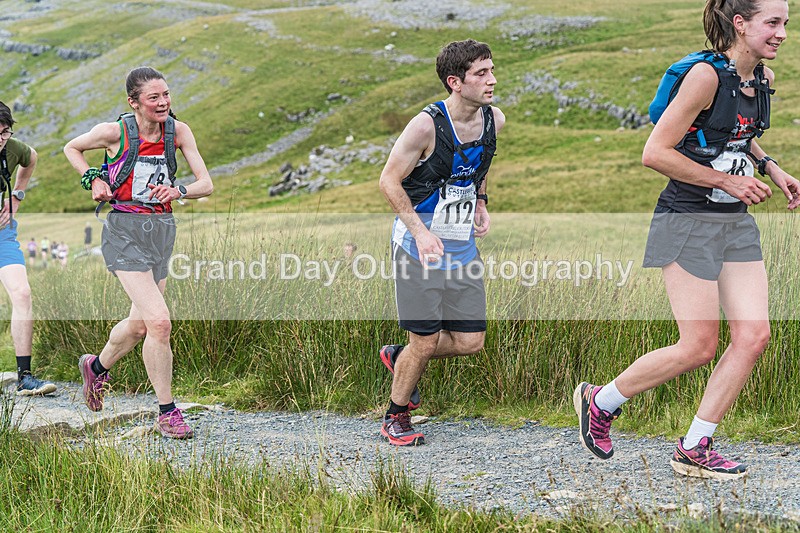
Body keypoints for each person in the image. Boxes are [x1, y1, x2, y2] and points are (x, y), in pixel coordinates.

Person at [575, 0, 798, 480]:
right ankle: (602, 400)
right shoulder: (704, 76)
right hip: (686, 219)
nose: (782, 33)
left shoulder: (761, 80)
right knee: (698, 345)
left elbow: (736, 136)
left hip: (734, 222)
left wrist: (771, 169)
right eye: (772, 23)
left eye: (786, 23)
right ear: (740, 23)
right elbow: (654, 152)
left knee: (754, 336)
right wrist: (726, 182)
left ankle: (696, 446)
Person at [63, 66, 213, 439]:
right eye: (154, 97)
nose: (163, 103)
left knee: (141, 324)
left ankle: (96, 367)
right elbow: (72, 148)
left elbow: (206, 184)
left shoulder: (178, 132)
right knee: (160, 322)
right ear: (134, 102)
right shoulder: (115, 132)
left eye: (166, 95)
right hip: (124, 230)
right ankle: (167, 411)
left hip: (162, 231)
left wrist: (179, 191)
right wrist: (93, 179)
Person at [377, 39, 504, 446]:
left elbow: (482, 163)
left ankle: (400, 358)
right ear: (455, 82)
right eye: (481, 74)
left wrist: (481, 201)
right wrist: (420, 232)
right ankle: (395, 417)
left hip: (462, 245)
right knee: (426, 339)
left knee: (471, 342)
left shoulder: (494, 119)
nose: (492, 80)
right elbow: (388, 181)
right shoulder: (426, 125)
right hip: (417, 248)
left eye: (491, 70)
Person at [0, 102, 56, 396]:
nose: (0, 139)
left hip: (3, 236)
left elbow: (31, 158)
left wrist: (16, 197)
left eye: (4, 132)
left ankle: (25, 377)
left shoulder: (13, 147)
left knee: (22, 293)